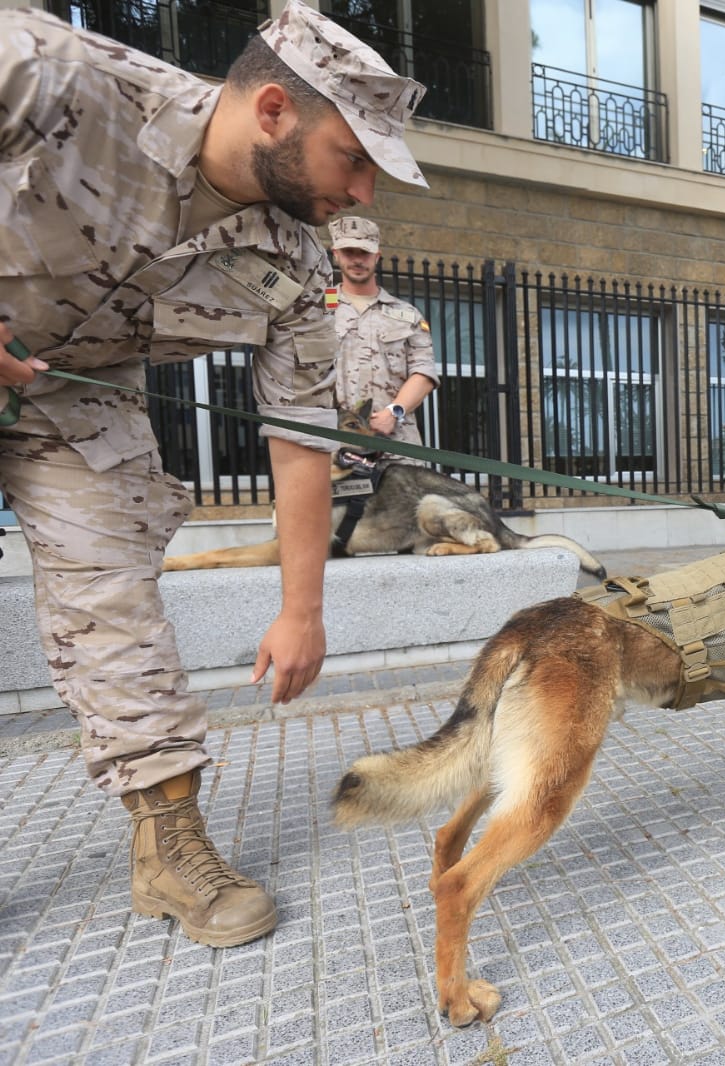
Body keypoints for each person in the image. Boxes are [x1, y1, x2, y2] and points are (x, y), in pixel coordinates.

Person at [0, 1, 426, 947]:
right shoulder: (53, 71)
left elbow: (300, 437)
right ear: (273, 110)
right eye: (353, 159)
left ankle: (169, 847)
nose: (363, 192)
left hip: (79, 397)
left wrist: (302, 611)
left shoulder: (294, 262)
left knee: (115, 599)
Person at [327, 216, 438, 459]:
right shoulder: (316, 309)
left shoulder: (406, 315)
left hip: (395, 445)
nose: (357, 260)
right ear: (336, 254)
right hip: (334, 447)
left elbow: (424, 372)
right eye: (349, 252)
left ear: (377, 256)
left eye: (364, 253)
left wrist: (394, 412)